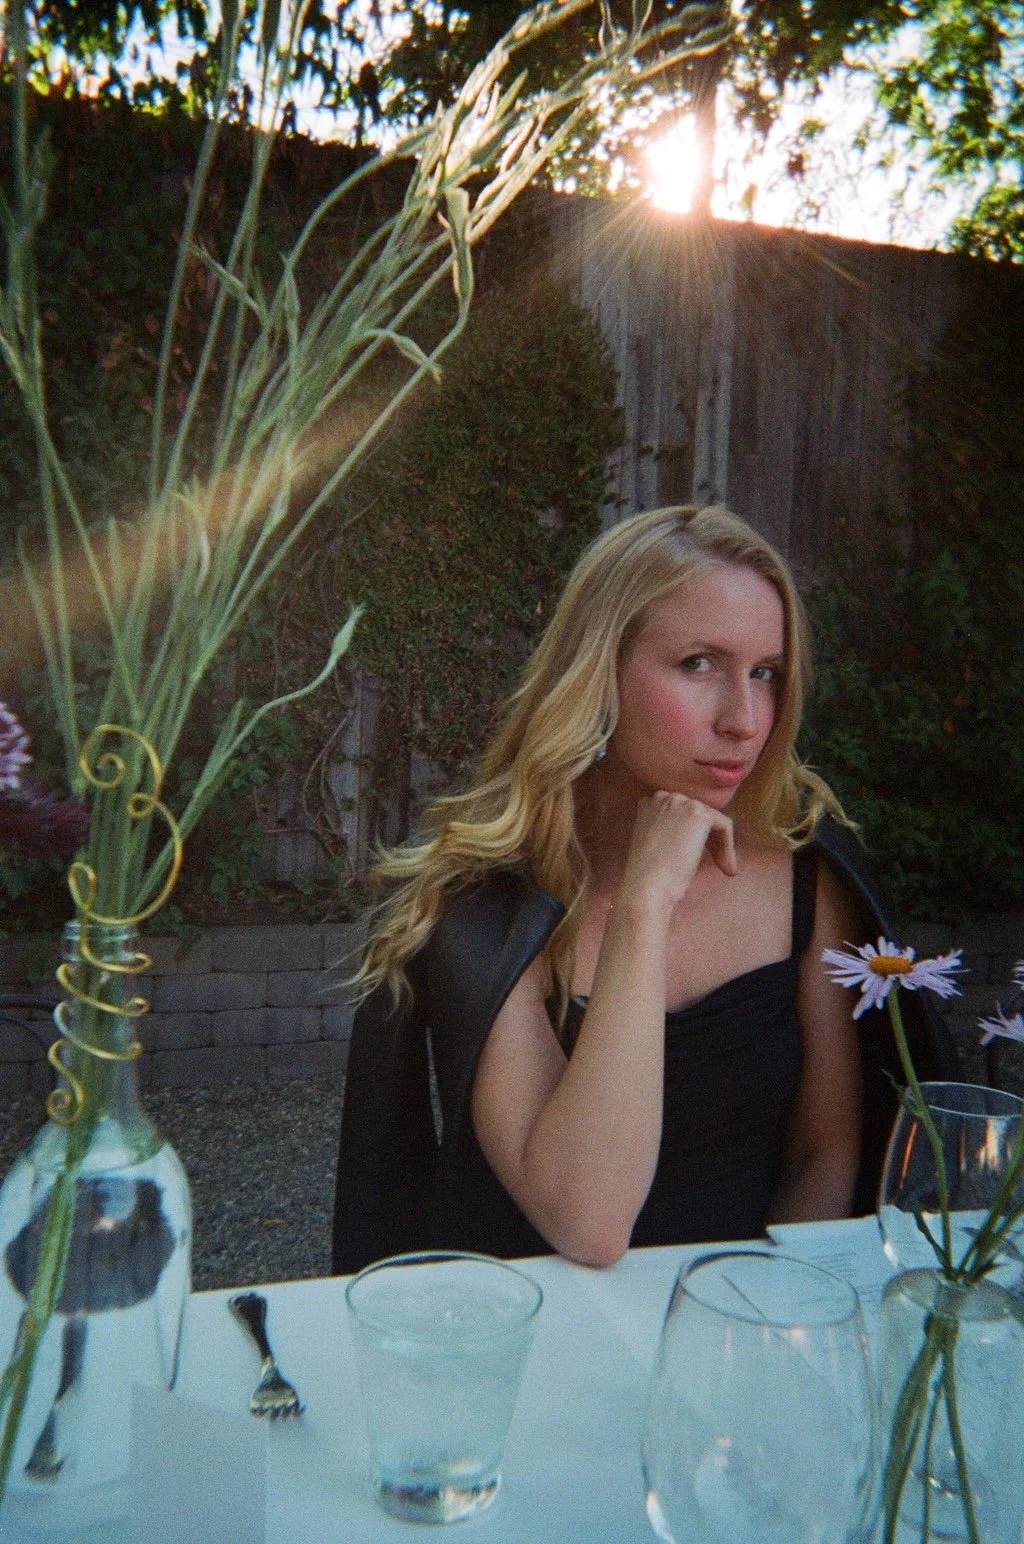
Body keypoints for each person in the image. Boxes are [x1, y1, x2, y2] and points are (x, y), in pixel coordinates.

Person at [332, 506, 959, 1275]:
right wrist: (644, 906)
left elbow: (824, 1155)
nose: (744, 719)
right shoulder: (489, 904)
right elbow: (587, 1220)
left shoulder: (808, 876)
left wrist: (755, 1316)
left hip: (750, 1319)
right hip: (550, 1337)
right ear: (599, 671)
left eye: (765, 674)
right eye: (699, 664)